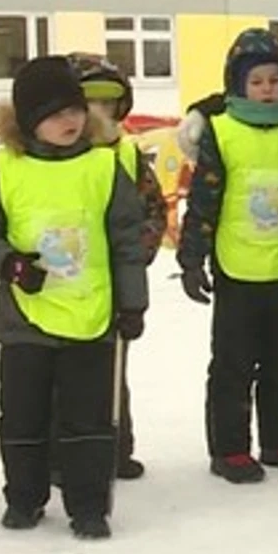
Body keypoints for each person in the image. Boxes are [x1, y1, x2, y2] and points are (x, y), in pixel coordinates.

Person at [0, 56, 151, 540]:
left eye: (75, 110)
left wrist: (132, 304)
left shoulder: (104, 166)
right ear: (27, 120)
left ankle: (88, 505)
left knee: (89, 420)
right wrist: (10, 264)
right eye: (54, 113)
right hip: (26, 320)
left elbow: (128, 239)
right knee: (23, 415)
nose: (70, 121)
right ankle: (24, 497)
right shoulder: (2, 168)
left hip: (93, 315)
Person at [177, 29, 278, 482]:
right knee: (232, 365)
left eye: (275, 80)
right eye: (257, 81)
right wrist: (192, 260)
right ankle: (229, 448)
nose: (267, 89)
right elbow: (204, 203)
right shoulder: (223, 132)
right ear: (237, 86)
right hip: (237, 270)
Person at [69, 51, 167, 480]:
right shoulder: (55, 155)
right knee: (64, 372)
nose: (100, 113)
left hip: (113, 281)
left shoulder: (127, 154)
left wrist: (135, 254)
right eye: (90, 102)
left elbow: (153, 210)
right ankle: (65, 449)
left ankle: (114, 446)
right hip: (65, 281)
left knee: (110, 369)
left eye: (110, 103)